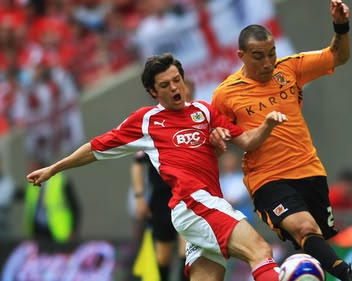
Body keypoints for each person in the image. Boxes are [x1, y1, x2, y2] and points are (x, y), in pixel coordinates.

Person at [27, 53, 288, 281]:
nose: (175, 88)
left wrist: (267, 125)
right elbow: (96, 148)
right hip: (192, 204)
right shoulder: (146, 121)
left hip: (206, 205)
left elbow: (248, 141)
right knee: (261, 252)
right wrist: (54, 169)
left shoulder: (204, 112)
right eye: (165, 85)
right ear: (154, 92)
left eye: (177, 80)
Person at [210, 1, 352, 280]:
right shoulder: (226, 94)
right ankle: (348, 275)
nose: (268, 63)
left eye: (271, 54)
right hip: (268, 179)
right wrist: (216, 136)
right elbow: (214, 136)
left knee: (310, 247)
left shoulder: (291, 68)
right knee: (304, 228)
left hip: (310, 171)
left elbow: (338, 56)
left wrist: (341, 26)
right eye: (258, 56)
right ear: (241, 55)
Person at [130, 78, 196, 281]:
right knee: (164, 255)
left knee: (187, 253)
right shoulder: (154, 125)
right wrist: (140, 196)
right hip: (161, 198)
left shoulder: (198, 122)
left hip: (187, 198)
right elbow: (137, 164)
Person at [24, 157, 81, 243]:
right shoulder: (32, 185)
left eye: (33, 167)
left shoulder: (60, 181)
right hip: (38, 232)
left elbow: (75, 207)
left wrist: (73, 230)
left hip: (59, 231)